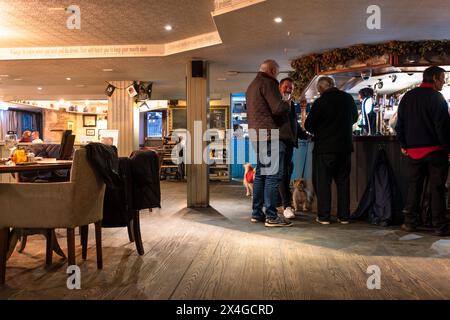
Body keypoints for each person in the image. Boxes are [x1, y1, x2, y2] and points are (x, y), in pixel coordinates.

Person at [395, 66, 450, 236]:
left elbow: (400, 125)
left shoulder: (408, 97)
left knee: (414, 187)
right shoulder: (437, 98)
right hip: (435, 151)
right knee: (437, 189)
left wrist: (404, 145)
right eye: (442, 78)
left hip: (414, 152)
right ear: (434, 78)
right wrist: (448, 148)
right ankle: (440, 226)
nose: (443, 82)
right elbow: (442, 127)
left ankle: (410, 223)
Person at [305, 76, 358, 225]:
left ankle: (324, 216)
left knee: (323, 183)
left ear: (321, 88)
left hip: (325, 149)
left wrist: (322, 128)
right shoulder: (348, 99)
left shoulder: (320, 102)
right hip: (345, 148)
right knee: (343, 182)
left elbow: (309, 125)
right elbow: (354, 118)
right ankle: (344, 216)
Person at [246, 59, 292, 227]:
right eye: (277, 73)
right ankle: (272, 216)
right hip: (270, 136)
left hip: (256, 136)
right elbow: (278, 108)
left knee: (261, 175)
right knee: (273, 176)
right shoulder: (268, 83)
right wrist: (287, 103)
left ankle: (257, 213)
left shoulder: (252, 85)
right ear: (272, 71)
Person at [277, 78, 310, 219]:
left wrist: (306, 135)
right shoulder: (277, 103)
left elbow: (293, 125)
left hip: (289, 144)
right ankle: (286, 206)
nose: (288, 89)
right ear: (279, 87)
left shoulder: (290, 104)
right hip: (278, 142)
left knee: (286, 172)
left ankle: (281, 204)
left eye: (291, 87)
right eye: (286, 86)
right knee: (282, 174)